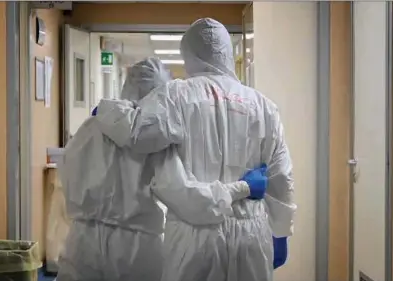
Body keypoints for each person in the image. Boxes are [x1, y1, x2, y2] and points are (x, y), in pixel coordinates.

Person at [93, 18, 296, 281]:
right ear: (226, 52)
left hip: (194, 240)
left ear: (188, 54)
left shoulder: (175, 96)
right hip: (252, 236)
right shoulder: (264, 107)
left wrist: (106, 111)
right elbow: (281, 175)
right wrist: (281, 231)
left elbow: (135, 132)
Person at [56, 57, 265, 281]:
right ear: (161, 96)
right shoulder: (155, 141)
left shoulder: (88, 128)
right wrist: (243, 188)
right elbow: (188, 199)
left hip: (80, 242)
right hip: (134, 251)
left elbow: (65, 174)